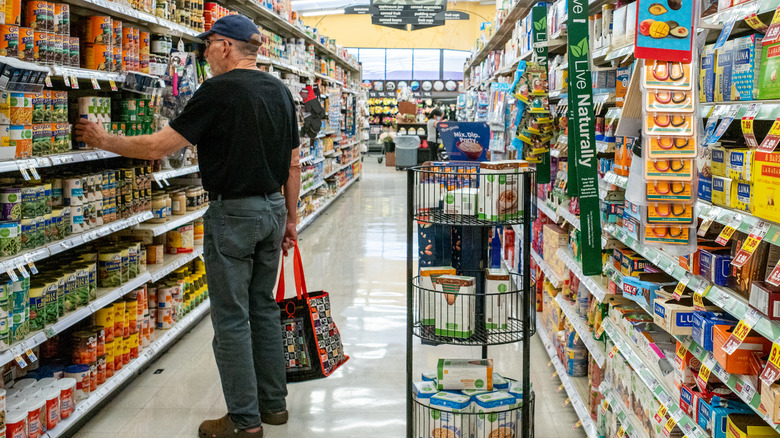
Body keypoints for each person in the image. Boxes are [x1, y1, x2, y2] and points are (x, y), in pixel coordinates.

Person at [74, 14, 300, 438]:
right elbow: (293, 163)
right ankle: (274, 407)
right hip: (273, 210)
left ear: (226, 47)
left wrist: (105, 140)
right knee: (263, 309)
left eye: (208, 44)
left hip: (234, 215)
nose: (205, 53)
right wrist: (291, 218)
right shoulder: (280, 90)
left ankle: (244, 422)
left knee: (231, 320)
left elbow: (159, 147)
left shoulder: (217, 90)